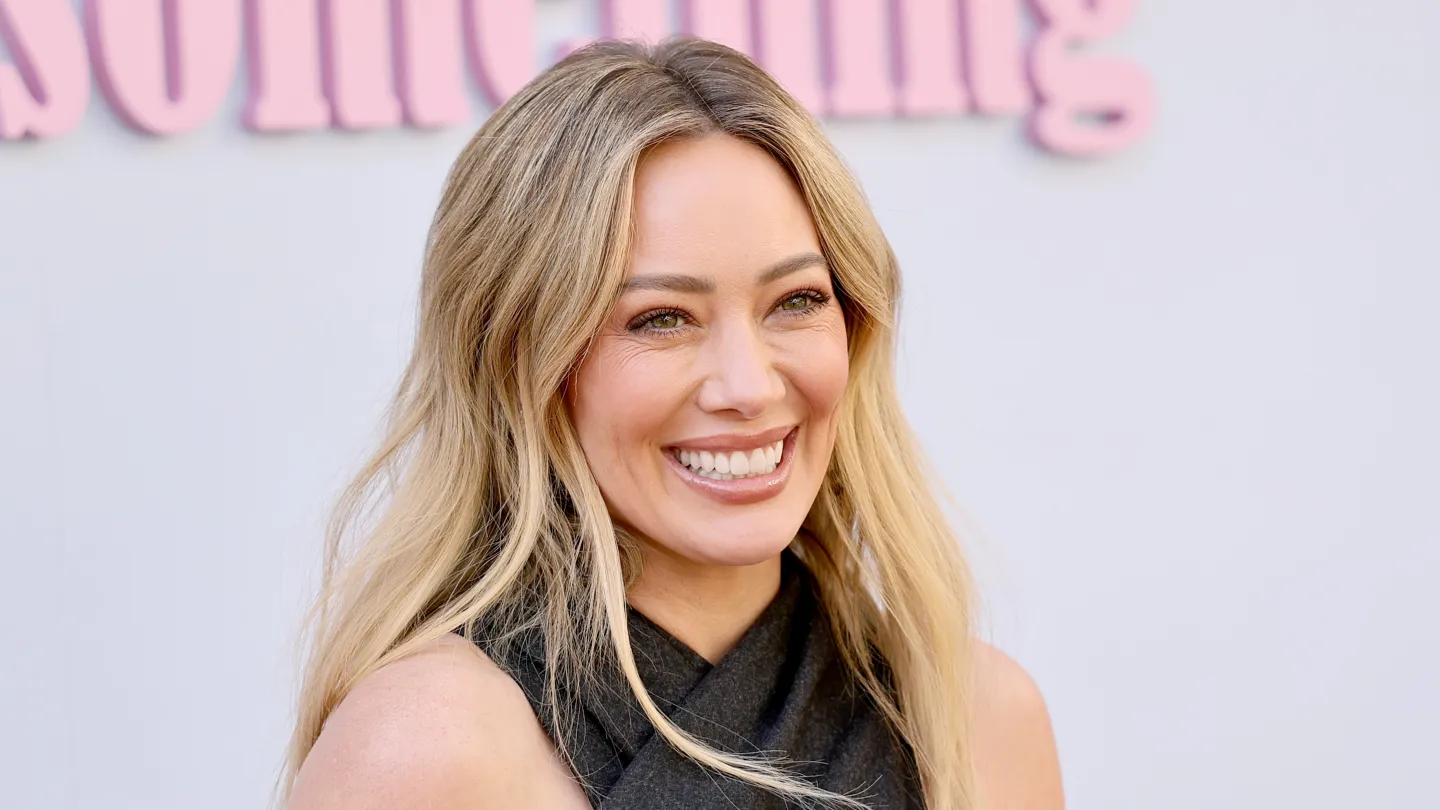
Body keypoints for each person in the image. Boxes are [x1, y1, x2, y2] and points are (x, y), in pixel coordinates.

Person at [280, 37, 1063, 810]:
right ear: (520, 361)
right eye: (661, 318)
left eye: (796, 301)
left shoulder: (972, 718)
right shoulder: (426, 748)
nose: (748, 386)